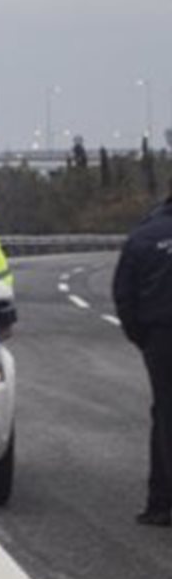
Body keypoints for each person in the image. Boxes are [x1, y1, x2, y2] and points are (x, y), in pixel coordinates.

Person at [113, 185, 172, 526]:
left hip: (161, 337)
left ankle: (161, 502)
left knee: (165, 414)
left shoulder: (144, 236)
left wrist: (143, 337)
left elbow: (124, 293)